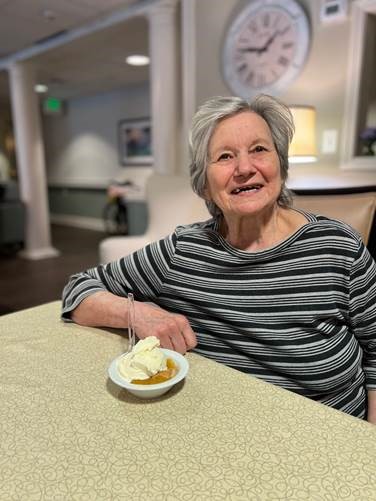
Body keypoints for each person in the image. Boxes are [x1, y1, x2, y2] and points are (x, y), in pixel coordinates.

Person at [62, 94, 376, 423]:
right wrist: (138, 314)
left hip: (327, 439)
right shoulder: (183, 251)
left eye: (259, 149)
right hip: (217, 433)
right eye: (225, 156)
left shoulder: (337, 247)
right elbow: (77, 289)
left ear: (280, 166)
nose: (244, 168)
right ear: (205, 186)